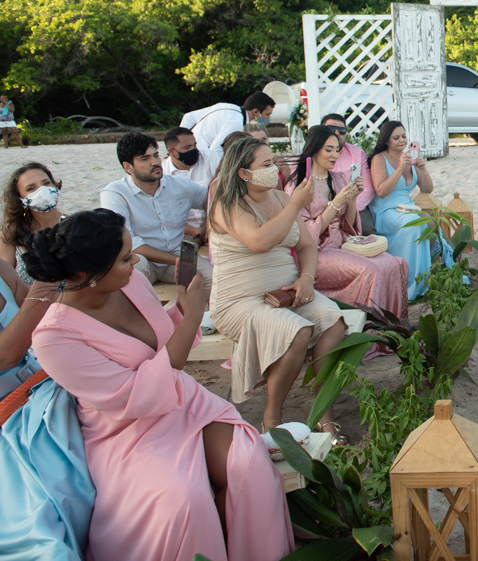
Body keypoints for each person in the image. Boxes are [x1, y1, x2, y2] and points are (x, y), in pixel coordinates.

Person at [27, 209, 294, 561]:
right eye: (125, 258)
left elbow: (160, 341)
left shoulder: (131, 281)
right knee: (182, 500)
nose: (135, 260)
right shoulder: (54, 338)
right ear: (86, 274)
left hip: (182, 401)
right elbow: (135, 394)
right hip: (126, 430)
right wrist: (194, 315)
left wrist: (182, 310)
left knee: (249, 465)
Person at [208, 138, 349, 440]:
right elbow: (259, 240)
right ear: (244, 173)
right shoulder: (227, 204)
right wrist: (297, 203)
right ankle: (272, 417)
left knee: (333, 321)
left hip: (287, 291)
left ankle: (325, 413)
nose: (275, 168)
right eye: (267, 164)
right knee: (298, 330)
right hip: (240, 300)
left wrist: (307, 278)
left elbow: (307, 245)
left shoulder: (281, 199)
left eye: (274, 162)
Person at [0, 258, 94, 560]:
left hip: (45, 383)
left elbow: (44, 313)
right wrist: (46, 287)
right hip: (9, 418)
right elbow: (5, 357)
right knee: (40, 522)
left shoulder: (1, 269)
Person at [286, 126, 409, 326]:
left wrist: (351, 199)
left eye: (337, 149)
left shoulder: (338, 178)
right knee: (371, 270)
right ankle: (367, 330)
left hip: (343, 243)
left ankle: (393, 328)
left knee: (397, 263)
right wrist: (335, 203)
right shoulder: (298, 186)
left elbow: (349, 225)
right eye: (328, 150)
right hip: (316, 252)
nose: (335, 155)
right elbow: (306, 236)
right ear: (314, 150)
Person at [99, 133, 212, 298]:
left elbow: (214, 203)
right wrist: (178, 261)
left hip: (177, 253)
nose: (155, 162)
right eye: (144, 158)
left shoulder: (181, 185)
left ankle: (197, 319)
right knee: (129, 276)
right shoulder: (115, 193)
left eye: (156, 155)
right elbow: (127, 242)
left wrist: (205, 229)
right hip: (139, 258)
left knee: (213, 279)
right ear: (128, 167)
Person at [368, 121, 450, 300]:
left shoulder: (410, 158)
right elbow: (381, 191)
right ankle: (407, 280)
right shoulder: (379, 159)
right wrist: (398, 169)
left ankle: (422, 275)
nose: (401, 141)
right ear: (386, 140)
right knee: (414, 226)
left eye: (404, 136)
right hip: (387, 209)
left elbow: (427, 189)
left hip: (407, 206)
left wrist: (422, 169)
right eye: (396, 138)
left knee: (431, 224)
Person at [0, 162, 65, 284]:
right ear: (20, 199)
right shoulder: (10, 235)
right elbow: (4, 283)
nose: (42, 190)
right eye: (31, 188)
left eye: (46, 183)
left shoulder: (74, 226)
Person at [319, 113, 377, 235]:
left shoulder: (357, 153)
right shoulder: (311, 155)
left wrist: (349, 205)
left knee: (367, 232)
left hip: (354, 205)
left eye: (342, 130)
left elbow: (368, 189)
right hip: (320, 207)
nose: (337, 133)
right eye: (331, 129)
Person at [162, 126, 217, 240]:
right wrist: (197, 232)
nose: (193, 150)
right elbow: (167, 217)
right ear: (171, 151)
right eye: (187, 147)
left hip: (217, 224)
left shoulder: (210, 158)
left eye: (195, 145)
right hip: (183, 232)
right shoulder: (163, 174)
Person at [180, 92, 275, 157]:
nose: (268, 118)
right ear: (255, 111)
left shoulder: (227, 106)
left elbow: (188, 117)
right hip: (201, 155)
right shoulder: (236, 122)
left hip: (190, 150)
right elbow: (216, 149)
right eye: (267, 114)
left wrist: (179, 143)